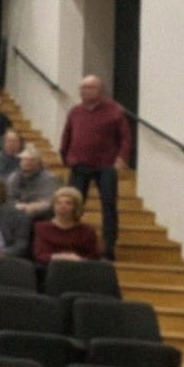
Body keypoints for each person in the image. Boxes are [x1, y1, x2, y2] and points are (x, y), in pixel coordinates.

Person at [59, 74, 131, 260]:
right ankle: (70, 243)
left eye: (89, 88)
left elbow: (125, 138)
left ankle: (109, 247)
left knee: (109, 206)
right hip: (79, 164)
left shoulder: (115, 111)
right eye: (82, 88)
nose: (84, 91)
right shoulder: (75, 111)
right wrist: (65, 156)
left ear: (100, 90)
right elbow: (67, 134)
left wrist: (122, 158)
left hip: (106, 165)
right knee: (72, 205)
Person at [32, 186, 102, 264]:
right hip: (49, 267)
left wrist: (78, 259)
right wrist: (61, 257)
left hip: (78, 267)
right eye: (58, 203)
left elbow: (93, 258)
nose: (62, 206)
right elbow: (39, 255)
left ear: (76, 207)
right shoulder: (41, 227)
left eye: (68, 203)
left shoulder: (87, 231)